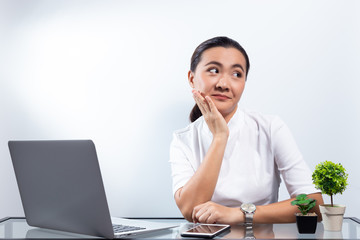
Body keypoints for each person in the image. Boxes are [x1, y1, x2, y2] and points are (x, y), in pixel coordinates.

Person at [169, 36, 323, 225]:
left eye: (236, 74)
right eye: (213, 70)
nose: (223, 84)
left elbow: (314, 204)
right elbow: (189, 209)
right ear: (192, 78)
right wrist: (220, 137)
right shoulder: (183, 140)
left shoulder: (270, 127)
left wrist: (240, 214)